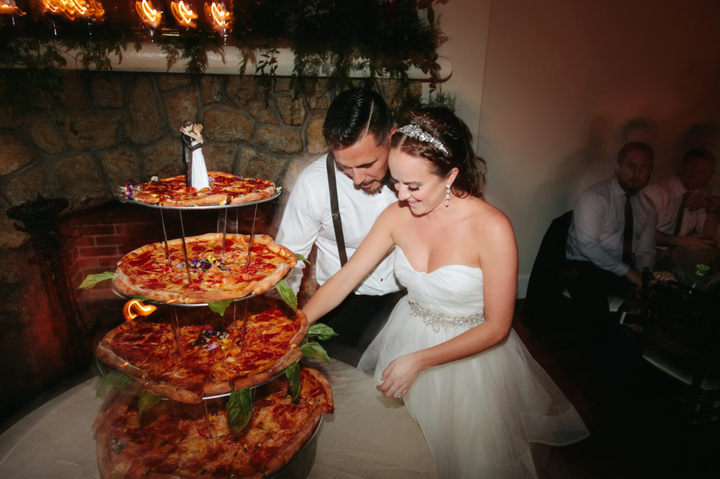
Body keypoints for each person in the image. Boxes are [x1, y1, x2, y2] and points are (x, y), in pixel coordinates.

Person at [302, 108, 589, 478]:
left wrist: (420, 361)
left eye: (414, 186)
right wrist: (296, 325)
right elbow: (344, 280)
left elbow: (498, 326)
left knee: (469, 460)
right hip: (407, 336)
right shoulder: (396, 215)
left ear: (451, 175)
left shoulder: (492, 228)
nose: (402, 196)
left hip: (469, 359)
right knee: (409, 452)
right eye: (396, 182)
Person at [276, 88, 404, 364]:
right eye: (345, 167)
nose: (358, 179)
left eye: (368, 164)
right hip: (340, 308)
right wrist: (281, 323)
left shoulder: (417, 179)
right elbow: (289, 261)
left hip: (406, 305)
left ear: (391, 139)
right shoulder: (314, 185)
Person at [644, 148, 719, 271]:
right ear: (681, 167)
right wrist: (683, 242)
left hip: (676, 258)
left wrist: (712, 210)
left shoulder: (702, 196)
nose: (698, 175)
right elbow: (642, 232)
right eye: (693, 169)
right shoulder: (657, 192)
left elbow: (708, 237)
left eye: (705, 172)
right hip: (648, 253)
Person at [180, 120, 210, 191]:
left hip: (197, 155)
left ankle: (197, 184)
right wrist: (186, 132)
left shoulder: (198, 136)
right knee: (194, 170)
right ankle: (193, 184)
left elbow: (199, 142)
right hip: (193, 155)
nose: (192, 129)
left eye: (194, 128)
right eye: (192, 127)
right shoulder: (193, 135)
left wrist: (186, 133)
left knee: (197, 168)